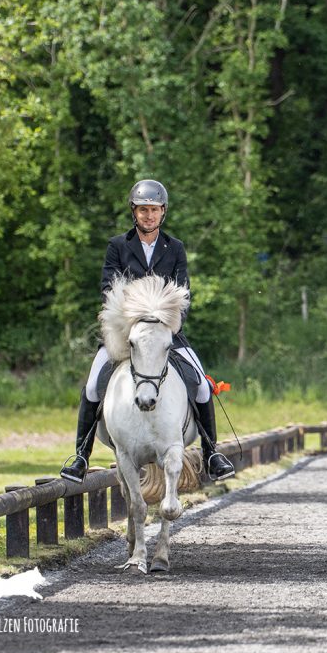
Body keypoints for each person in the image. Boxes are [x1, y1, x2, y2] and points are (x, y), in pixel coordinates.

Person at [60, 180, 236, 483]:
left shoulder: (175, 248)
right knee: (92, 385)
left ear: (162, 212)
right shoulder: (118, 246)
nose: (148, 216)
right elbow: (108, 290)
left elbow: (183, 295)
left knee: (204, 387)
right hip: (125, 334)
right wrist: (132, 319)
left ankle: (212, 454)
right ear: (134, 212)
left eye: (154, 210)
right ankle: (80, 456)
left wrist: (167, 320)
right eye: (143, 210)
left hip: (167, 333)